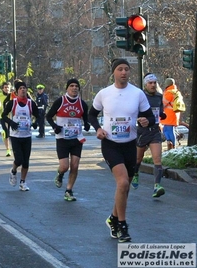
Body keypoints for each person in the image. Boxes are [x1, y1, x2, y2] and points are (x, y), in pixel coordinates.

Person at [88, 58, 155, 243]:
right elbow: (92, 114)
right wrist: (98, 129)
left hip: (130, 144)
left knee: (124, 187)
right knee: (123, 182)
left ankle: (113, 218)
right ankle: (122, 226)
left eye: (126, 69)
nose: (123, 72)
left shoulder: (137, 93)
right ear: (114, 72)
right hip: (110, 144)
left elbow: (150, 116)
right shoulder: (104, 94)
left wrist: (146, 120)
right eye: (120, 69)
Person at [46, 78, 90, 201]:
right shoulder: (60, 101)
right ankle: (60, 174)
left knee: (75, 166)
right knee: (65, 166)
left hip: (76, 139)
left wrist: (87, 125)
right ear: (67, 88)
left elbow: (86, 119)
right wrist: (55, 126)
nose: (74, 88)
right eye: (71, 85)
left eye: (76, 86)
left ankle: (69, 190)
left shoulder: (82, 104)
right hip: (62, 139)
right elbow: (48, 116)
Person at [131, 73, 167, 198]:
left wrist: (162, 114)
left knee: (157, 159)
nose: (153, 85)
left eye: (154, 83)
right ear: (145, 84)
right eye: (150, 83)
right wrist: (139, 119)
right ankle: (135, 173)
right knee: (138, 159)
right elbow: (133, 111)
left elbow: (159, 110)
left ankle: (157, 186)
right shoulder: (140, 96)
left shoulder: (159, 96)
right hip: (142, 131)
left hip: (155, 131)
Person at [2, 81, 39, 191]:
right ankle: (13, 171)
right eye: (21, 88)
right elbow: (3, 115)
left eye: (24, 88)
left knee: (26, 161)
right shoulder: (12, 103)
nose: (23, 90)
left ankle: (23, 182)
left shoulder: (30, 103)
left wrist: (36, 122)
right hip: (15, 135)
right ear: (17, 91)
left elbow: (39, 115)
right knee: (19, 159)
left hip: (26, 135)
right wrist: (11, 123)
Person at [161, 78, 181, 151]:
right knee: (167, 129)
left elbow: (163, 103)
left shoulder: (169, 92)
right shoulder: (175, 91)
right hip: (173, 114)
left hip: (169, 115)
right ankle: (171, 145)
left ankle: (172, 146)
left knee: (168, 130)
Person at [0, 82, 12, 156]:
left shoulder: (13, 96)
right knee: (6, 132)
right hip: (2, 117)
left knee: (11, 134)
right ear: (3, 88)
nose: (7, 89)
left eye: (8, 87)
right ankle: (8, 149)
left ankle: (14, 149)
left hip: (12, 117)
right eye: (5, 87)